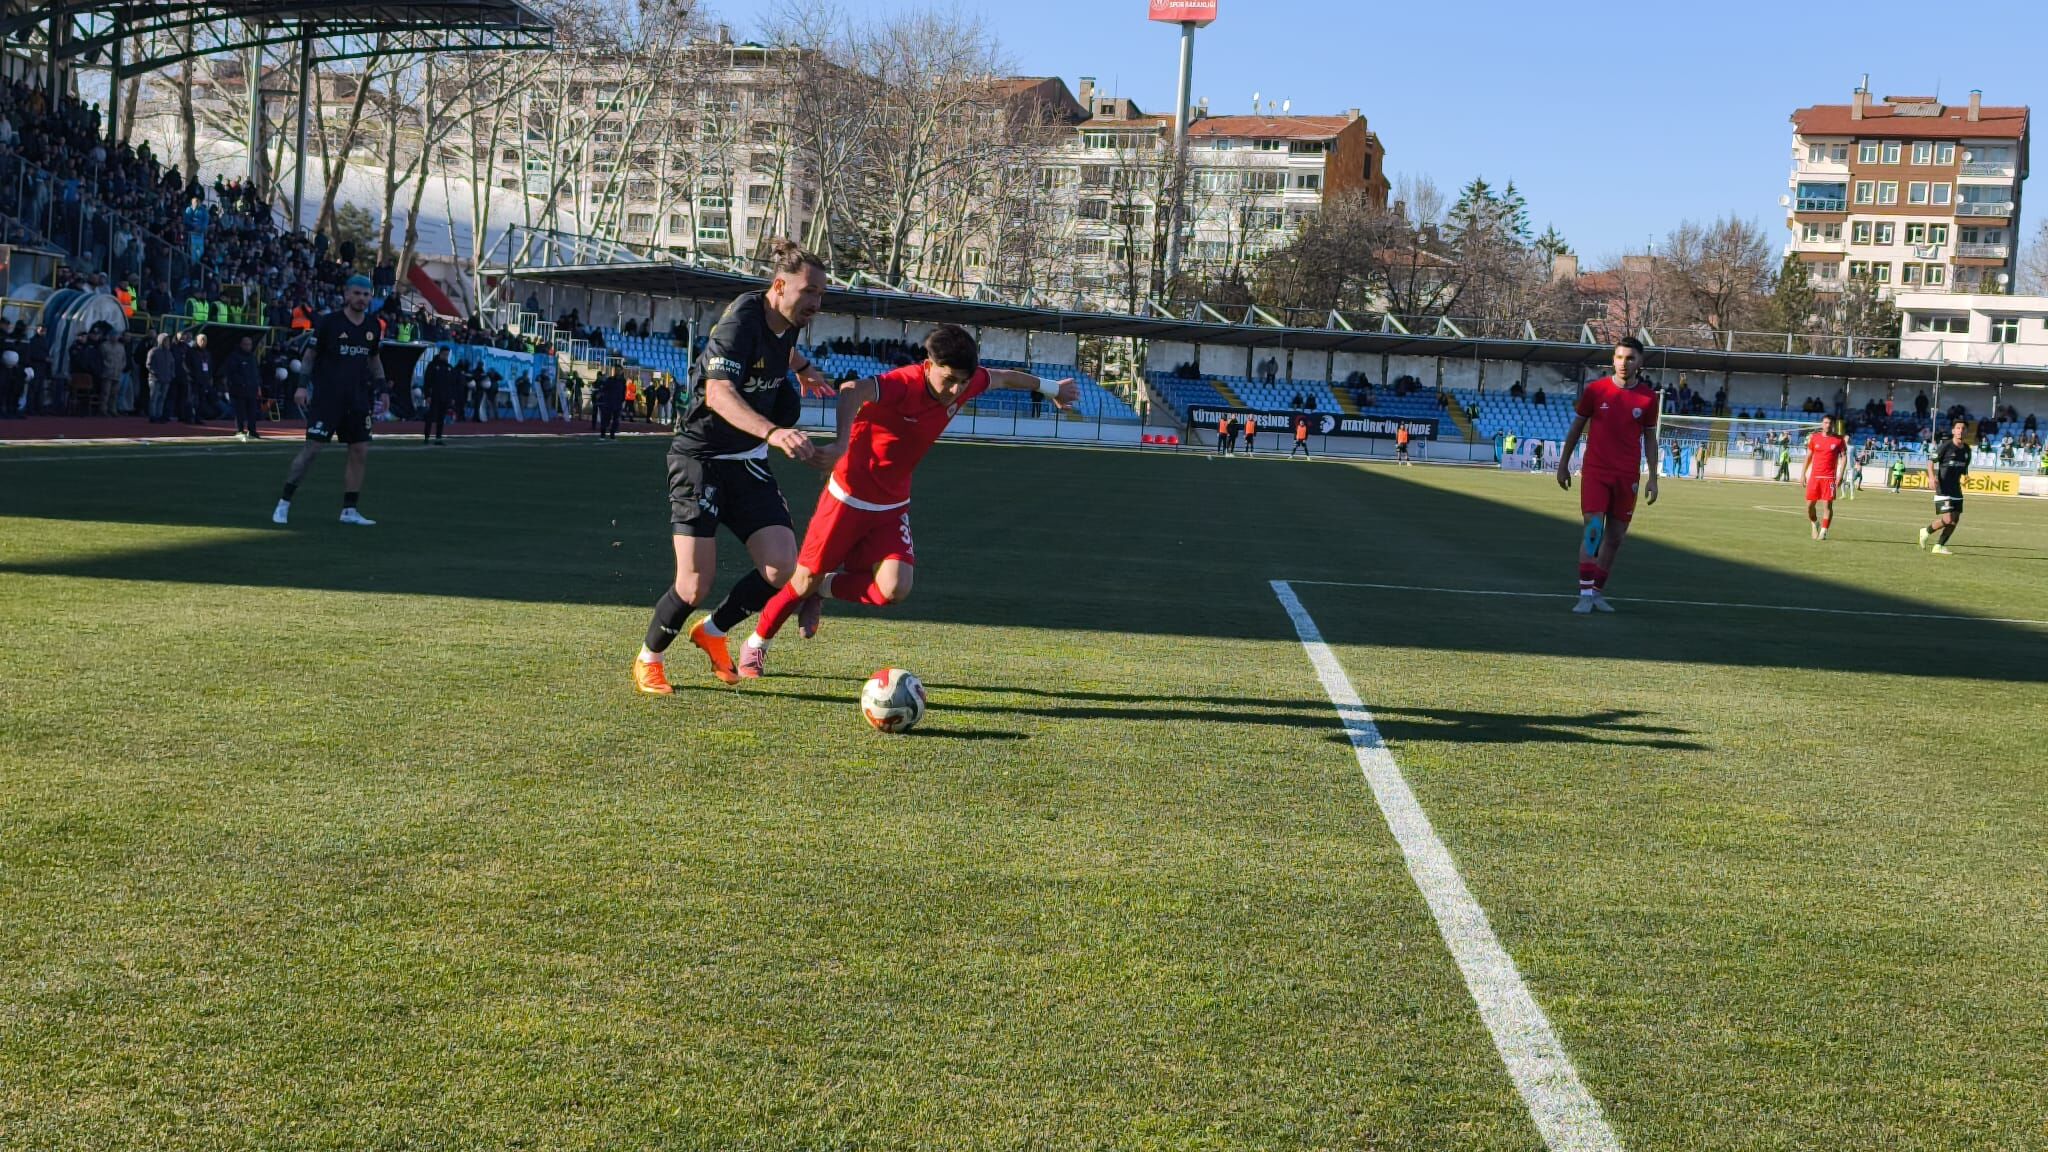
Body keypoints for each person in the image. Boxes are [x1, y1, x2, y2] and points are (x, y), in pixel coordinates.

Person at [735, 324, 1078, 678]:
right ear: (928, 365)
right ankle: (757, 643)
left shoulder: (966, 383)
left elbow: (1005, 378)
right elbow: (852, 391)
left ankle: (823, 587)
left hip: (892, 505)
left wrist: (1053, 388)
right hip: (847, 496)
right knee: (800, 580)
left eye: (964, 380)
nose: (957, 389)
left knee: (894, 589)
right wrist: (840, 445)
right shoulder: (904, 383)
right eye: (949, 379)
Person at [631, 240, 833, 695]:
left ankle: (715, 632)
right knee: (693, 584)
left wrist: (806, 370)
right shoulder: (742, 320)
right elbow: (718, 393)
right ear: (779, 286)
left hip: (747, 462)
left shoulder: (789, 322)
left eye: (822, 295)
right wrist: (773, 432)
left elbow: (786, 353)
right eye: (809, 292)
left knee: (783, 568)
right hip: (700, 458)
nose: (816, 304)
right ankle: (650, 658)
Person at [272, 275, 387, 526]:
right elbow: (310, 356)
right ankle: (284, 503)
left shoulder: (372, 326)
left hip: (357, 399)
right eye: (357, 293)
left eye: (366, 295)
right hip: (327, 398)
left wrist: (383, 389)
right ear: (346, 294)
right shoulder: (329, 323)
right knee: (312, 449)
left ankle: (349, 510)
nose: (362, 299)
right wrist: (302, 387)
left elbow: (374, 359)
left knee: (359, 450)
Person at [1556, 337, 1659, 613]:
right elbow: (1576, 428)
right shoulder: (1596, 391)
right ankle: (1585, 595)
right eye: (1619, 357)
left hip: (1628, 476)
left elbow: (1650, 439)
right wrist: (1563, 463)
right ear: (1613, 359)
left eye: (1630, 358)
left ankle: (1598, 593)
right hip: (1596, 471)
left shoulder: (1649, 398)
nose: (1624, 363)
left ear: (1640, 362)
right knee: (1593, 530)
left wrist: (1653, 478)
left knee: (1615, 538)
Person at [1919, 420, 1971, 556]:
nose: (1960, 430)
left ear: (1966, 432)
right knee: (1948, 519)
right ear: (1953, 431)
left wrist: (1966, 476)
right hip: (1943, 488)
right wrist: (1931, 477)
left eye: (1963, 428)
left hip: (1956, 489)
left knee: (1955, 520)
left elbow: (1964, 468)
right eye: (1958, 428)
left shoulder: (1967, 450)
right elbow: (1931, 462)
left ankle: (1939, 546)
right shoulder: (1946, 446)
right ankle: (1926, 531)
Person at [1802, 418, 1848, 541]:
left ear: (1833, 425)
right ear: (1822, 424)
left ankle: (1824, 531)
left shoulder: (1839, 440)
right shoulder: (1814, 438)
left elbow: (1844, 457)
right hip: (1814, 477)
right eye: (1826, 423)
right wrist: (1803, 474)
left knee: (1827, 505)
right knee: (1809, 506)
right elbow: (1809, 456)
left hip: (1829, 478)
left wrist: (1840, 475)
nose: (1828, 425)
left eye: (1830, 423)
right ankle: (1814, 523)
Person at [223, 334, 262, 440]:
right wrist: (240, 383)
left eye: (249, 344)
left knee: (252, 411)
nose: (248, 346)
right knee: (240, 411)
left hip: (252, 389)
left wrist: (258, 386)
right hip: (239, 389)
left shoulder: (252, 357)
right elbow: (231, 373)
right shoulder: (234, 357)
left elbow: (256, 373)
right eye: (246, 344)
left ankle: (252, 430)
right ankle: (240, 430)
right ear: (241, 345)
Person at [422, 347, 462, 444]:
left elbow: (452, 384)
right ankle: (426, 437)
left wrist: (452, 397)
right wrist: (427, 396)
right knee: (430, 417)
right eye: (444, 354)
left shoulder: (449, 367)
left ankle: (438, 438)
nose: (446, 356)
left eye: (447, 354)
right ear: (440, 354)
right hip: (434, 396)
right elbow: (427, 382)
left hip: (445, 397)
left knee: (441, 418)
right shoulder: (432, 366)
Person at [596, 368, 626, 439]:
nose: (618, 372)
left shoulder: (622, 382)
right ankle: (603, 433)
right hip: (609, 402)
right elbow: (604, 388)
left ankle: (612, 434)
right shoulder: (610, 380)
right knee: (606, 419)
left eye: (619, 370)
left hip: (618, 403)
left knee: (616, 420)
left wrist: (622, 401)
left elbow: (623, 392)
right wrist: (599, 394)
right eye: (616, 370)